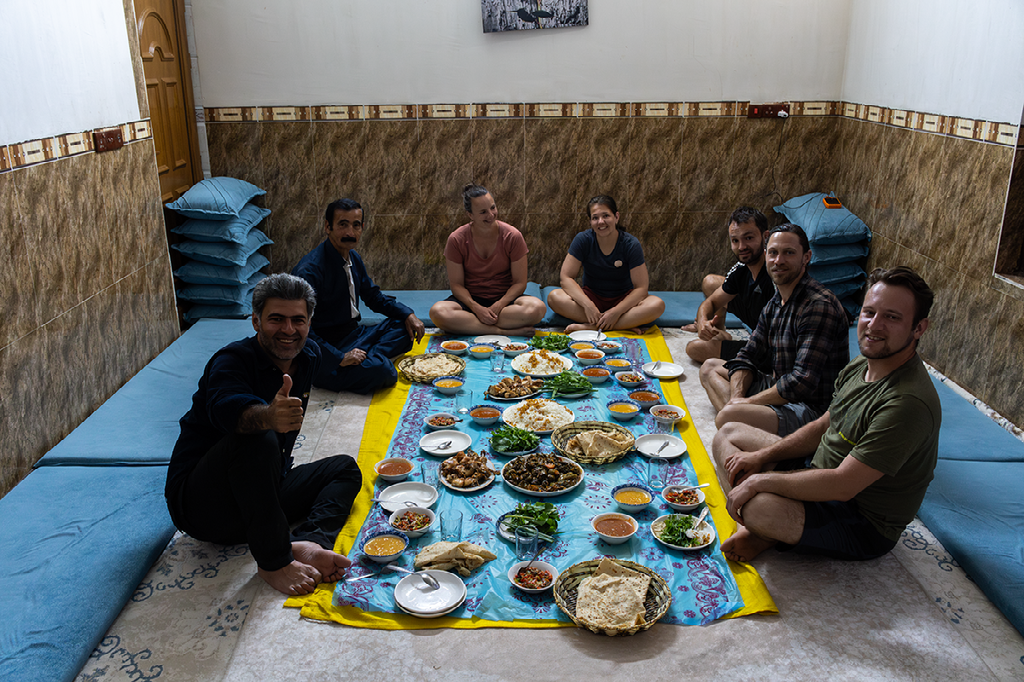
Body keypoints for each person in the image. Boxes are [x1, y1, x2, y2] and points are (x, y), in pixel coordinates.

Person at [711, 266, 940, 563]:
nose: (874, 325)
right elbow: (822, 425)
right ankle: (763, 521)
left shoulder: (907, 402)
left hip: (859, 518)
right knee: (728, 434)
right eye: (869, 312)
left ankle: (763, 531)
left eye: (892, 317)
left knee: (759, 507)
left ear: (919, 328)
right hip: (817, 470)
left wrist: (760, 481)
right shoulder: (864, 364)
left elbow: (843, 485)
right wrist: (761, 458)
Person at [166, 273, 363, 596]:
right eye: (276, 319)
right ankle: (274, 561)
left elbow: (340, 363)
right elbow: (225, 410)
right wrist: (267, 416)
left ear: (310, 323)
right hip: (205, 508)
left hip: (261, 492)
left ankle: (309, 542)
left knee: (343, 468)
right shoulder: (232, 361)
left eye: (298, 320)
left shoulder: (307, 356)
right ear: (256, 321)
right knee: (259, 437)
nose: (288, 330)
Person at [699, 224, 849, 435]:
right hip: (781, 389)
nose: (779, 261)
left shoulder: (818, 305)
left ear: (806, 257)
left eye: (789, 253)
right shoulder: (776, 301)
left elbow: (800, 383)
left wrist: (747, 403)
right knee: (709, 368)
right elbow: (747, 355)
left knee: (728, 415)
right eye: (773, 253)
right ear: (766, 256)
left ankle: (751, 433)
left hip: (811, 410)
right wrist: (737, 398)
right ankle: (745, 428)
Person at [292, 198, 425, 394]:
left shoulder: (352, 257)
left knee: (403, 326)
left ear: (362, 227)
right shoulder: (309, 271)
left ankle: (365, 358)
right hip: (326, 348)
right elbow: (300, 330)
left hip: (354, 335)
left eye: (355, 225)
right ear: (328, 227)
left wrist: (408, 314)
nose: (350, 233)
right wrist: (339, 358)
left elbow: (373, 297)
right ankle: (363, 363)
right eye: (343, 225)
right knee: (384, 372)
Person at [428, 184, 547, 336]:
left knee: (537, 309)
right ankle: (500, 331)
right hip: (471, 301)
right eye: (483, 212)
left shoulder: (513, 236)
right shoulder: (456, 239)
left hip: (505, 301)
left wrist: (498, 305)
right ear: (470, 215)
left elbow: (519, 283)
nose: (491, 215)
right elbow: (457, 285)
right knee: (437, 312)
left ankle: (472, 326)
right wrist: (476, 308)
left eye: (493, 208)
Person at [546, 195, 665, 333]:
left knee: (657, 305)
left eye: (606, 216)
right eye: (595, 218)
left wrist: (616, 312)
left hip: (623, 299)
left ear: (616, 217)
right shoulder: (583, 240)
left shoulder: (630, 244)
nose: (600, 222)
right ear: (590, 221)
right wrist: (588, 305)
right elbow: (566, 278)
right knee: (554, 297)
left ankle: (591, 327)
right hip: (591, 297)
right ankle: (622, 325)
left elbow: (641, 288)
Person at [684, 207, 773, 363]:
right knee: (714, 285)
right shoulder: (740, 270)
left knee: (695, 349)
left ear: (766, 237)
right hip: (758, 333)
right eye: (735, 240)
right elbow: (710, 302)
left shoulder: (775, 274)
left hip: (771, 351)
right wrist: (703, 323)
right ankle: (718, 332)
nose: (741, 247)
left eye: (749, 238)